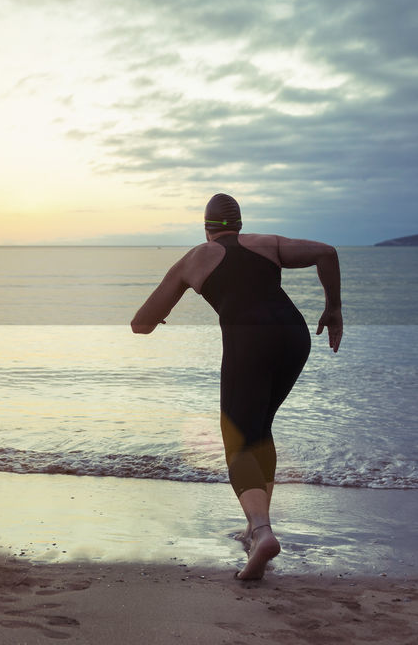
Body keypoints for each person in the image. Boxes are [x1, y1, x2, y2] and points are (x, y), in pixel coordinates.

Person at [131, 193, 342, 580]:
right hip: (294, 338)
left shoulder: (194, 259)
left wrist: (162, 315)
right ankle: (254, 526)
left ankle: (262, 532)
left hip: (249, 343)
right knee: (259, 428)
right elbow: (326, 253)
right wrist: (333, 308)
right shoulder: (267, 244)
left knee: (236, 438)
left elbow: (140, 323)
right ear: (240, 225)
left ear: (207, 228)